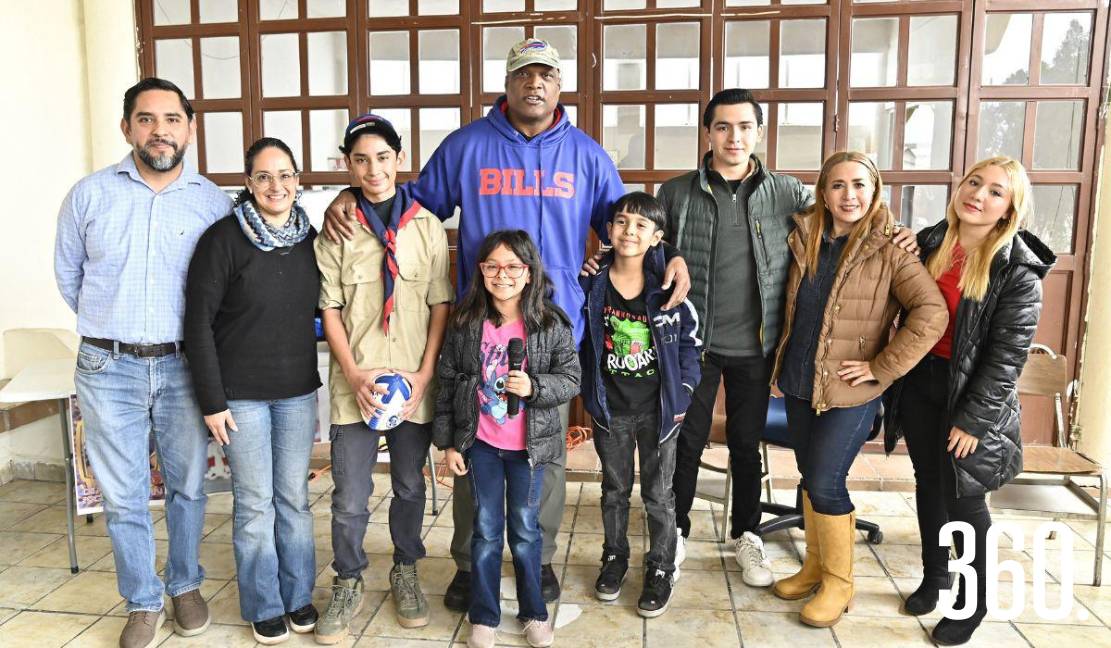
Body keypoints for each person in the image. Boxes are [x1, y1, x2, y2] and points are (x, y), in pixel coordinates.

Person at [324, 38, 690, 608]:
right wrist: (348, 197)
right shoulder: (468, 146)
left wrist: (673, 258)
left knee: (540, 448)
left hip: (553, 328)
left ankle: (535, 558)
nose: (535, 84)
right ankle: (472, 560)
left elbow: (629, 226)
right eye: (525, 74)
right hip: (479, 326)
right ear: (509, 82)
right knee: (477, 441)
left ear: (560, 85)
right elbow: (406, 206)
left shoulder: (587, 156)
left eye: (546, 74)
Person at [647, 88, 919, 584]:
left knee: (746, 444)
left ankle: (746, 535)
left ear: (758, 132)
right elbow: (650, 242)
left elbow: (850, 208)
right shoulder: (676, 192)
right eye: (723, 127)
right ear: (708, 133)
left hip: (759, 344)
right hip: (695, 344)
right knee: (685, 442)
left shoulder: (789, 192)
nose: (734, 137)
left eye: (745, 127)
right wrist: (668, 253)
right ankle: (677, 531)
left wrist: (895, 227)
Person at [53, 77, 230, 648]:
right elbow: (69, 277)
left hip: (184, 368)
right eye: (147, 119)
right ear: (126, 127)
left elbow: (224, 289)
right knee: (124, 494)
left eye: (171, 119)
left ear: (190, 128)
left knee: (186, 487)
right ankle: (142, 599)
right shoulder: (89, 195)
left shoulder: (213, 202)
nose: (160, 130)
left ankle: (183, 584)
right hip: (109, 366)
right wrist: (115, 326)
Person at [769, 151, 948, 628]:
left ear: (875, 191)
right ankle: (814, 566)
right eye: (838, 185)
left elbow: (932, 314)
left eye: (860, 185)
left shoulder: (891, 248)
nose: (849, 195)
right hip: (803, 380)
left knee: (827, 481)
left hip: (852, 392)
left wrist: (882, 368)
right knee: (810, 476)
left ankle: (839, 584)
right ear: (823, 193)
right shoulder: (805, 237)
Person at [885, 156, 1054, 646]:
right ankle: (936, 576)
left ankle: (971, 599)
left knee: (964, 499)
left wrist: (975, 421)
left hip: (972, 397)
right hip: (920, 384)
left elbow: (1006, 359)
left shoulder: (1017, 270)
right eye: (974, 183)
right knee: (928, 484)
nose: (978, 195)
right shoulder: (932, 242)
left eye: (995, 191)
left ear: (1009, 209)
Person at [313, 114, 452, 644]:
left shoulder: (427, 226)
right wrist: (351, 373)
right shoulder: (339, 228)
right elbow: (329, 306)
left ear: (399, 158)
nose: (373, 169)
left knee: (410, 485)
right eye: (360, 159)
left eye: (382, 157)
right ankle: (347, 580)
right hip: (358, 383)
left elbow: (439, 303)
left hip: (413, 383)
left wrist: (423, 373)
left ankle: (405, 569)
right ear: (348, 165)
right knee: (349, 495)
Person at [183, 137, 320, 644]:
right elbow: (197, 323)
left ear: (298, 181)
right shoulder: (222, 240)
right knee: (256, 501)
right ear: (247, 184)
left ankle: (299, 595)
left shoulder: (311, 238)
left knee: (295, 499)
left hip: (298, 392)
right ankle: (264, 603)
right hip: (239, 396)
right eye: (263, 176)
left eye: (285, 175)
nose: (275, 185)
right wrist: (212, 401)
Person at [433, 230, 581, 648]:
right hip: (480, 445)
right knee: (484, 531)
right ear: (480, 271)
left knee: (526, 531)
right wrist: (448, 443)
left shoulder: (550, 323)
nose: (503, 275)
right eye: (493, 266)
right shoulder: (465, 323)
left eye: (514, 266)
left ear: (530, 273)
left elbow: (572, 378)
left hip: (529, 451)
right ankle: (484, 616)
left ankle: (534, 612)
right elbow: (446, 384)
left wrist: (533, 387)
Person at [578, 192, 702, 617]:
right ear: (609, 229)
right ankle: (614, 557)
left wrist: (683, 391)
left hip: (659, 411)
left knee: (658, 494)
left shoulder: (668, 285)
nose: (629, 231)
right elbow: (578, 337)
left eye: (641, 225)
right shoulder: (592, 283)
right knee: (614, 490)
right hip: (610, 409)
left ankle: (662, 567)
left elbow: (691, 342)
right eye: (621, 222)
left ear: (658, 238)